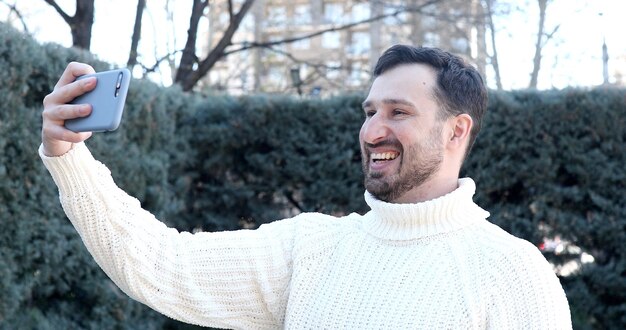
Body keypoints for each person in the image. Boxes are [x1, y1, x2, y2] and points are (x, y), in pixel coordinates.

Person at [40, 45, 572, 329]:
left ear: (457, 130)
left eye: (398, 112)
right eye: (369, 111)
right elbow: (159, 263)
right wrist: (69, 156)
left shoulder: (512, 273)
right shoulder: (312, 248)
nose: (371, 130)